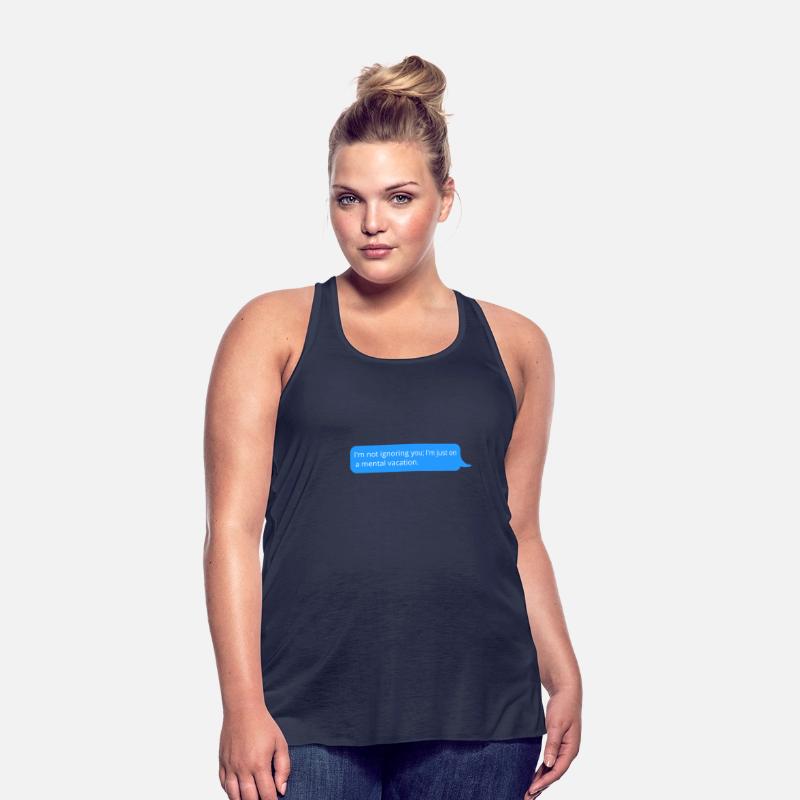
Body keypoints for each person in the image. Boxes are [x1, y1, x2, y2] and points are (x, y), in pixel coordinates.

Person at [204, 54, 582, 800]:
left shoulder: (516, 346)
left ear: (445, 199)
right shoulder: (271, 329)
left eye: (399, 197)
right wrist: (242, 706)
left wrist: (563, 674)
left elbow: (520, 531)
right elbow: (231, 534)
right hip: (307, 717)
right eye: (349, 199)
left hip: (483, 716)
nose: (372, 223)